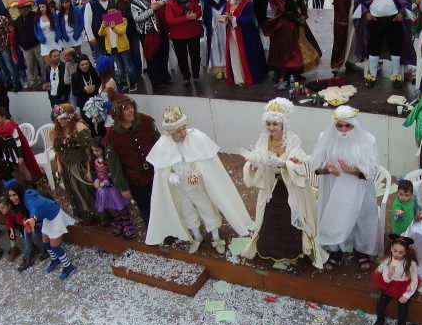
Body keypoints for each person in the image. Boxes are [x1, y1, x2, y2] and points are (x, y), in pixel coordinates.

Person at [146, 107, 252, 253]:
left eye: (183, 129)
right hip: (181, 190)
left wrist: (198, 172)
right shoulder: (163, 145)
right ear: (170, 133)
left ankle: (216, 238)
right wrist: (170, 176)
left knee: (207, 210)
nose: (183, 133)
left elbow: (206, 163)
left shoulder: (196, 138)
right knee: (188, 214)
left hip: (198, 187)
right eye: (178, 131)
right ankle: (197, 237)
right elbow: (162, 170)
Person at [242, 97, 324, 266]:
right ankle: (270, 249)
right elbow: (258, 159)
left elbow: (298, 161)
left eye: (275, 124)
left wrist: (285, 164)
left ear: (283, 124)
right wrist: (253, 163)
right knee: (270, 218)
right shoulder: (263, 140)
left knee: (292, 217)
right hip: (271, 186)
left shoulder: (292, 139)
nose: (271, 128)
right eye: (268, 124)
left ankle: (294, 253)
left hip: (290, 186)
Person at [312, 105, 382, 272]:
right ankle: (335, 251)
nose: (343, 130)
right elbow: (316, 168)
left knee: (362, 218)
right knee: (333, 216)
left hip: (360, 187)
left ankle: (361, 250)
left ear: (355, 125)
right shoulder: (325, 138)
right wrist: (327, 169)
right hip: (333, 188)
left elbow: (372, 171)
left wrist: (351, 171)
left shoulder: (368, 140)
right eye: (339, 125)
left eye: (348, 126)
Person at [352, 0, 415, 87]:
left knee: (396, 47)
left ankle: (396, 76)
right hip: (374, 19)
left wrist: (402, 12)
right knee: (373, 47)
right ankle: (372, 76)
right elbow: (359, 0)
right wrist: (366, 12)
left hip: (394, 19)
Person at [262, 0, 322, 89]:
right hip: (285, 25)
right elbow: (282, 11)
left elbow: (299, 0)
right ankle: (285, 72)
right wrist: (296, 19)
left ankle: (296, 71)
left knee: (299, 48)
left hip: (296, 22)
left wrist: (303, 14)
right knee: (287, 50)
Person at [103, 96, 159, 224]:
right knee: (145, 207)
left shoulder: (145, 120)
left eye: (131, 107)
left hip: (155, 172)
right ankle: (152, 230)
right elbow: (114, 165)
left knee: (162, 201)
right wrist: (123, 187)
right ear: (118, 112)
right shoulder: (112, 134)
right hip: (136, 179)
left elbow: (159, 143)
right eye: (126, 109)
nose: (131, 110)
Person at [51, 104, 97, 222]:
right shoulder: (58, 129)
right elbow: (57, 149)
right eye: (58, 118)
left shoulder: (79, 127)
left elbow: (88, 152)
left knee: (85, 190)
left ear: (70, 116)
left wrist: (88, 170)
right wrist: (59, 164)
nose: (60, 121)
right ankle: (84, 213)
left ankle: (95, 213)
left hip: (80, 165)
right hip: (66, 166)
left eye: (63, 118)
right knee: (73, 190)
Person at [370, 234, 421, 325]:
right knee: (380, 306)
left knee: (403, 309)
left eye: (401, 252)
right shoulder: (387, 261)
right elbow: (386, 280)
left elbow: (414, 280)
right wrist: (389, 273)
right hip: (390, 284)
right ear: (391, 249)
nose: (397, 254)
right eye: (395, 251)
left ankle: (401, 324)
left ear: (406, 252)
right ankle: (380, 319)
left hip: (404, 286)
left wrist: (406, 295)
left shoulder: (411, 264)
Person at [24, 187, 78, 279]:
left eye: (14, 195)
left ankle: (68, 266)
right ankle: (55, 260)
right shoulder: (23, 200)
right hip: (47, 217)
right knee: (45, 242)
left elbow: (34, 211)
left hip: (55, 216)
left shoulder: (29, 199)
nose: (12, 198)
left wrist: (32, 219)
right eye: (10, 196)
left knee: (55, 247)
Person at [221, 0, 268, 85]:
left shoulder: (247, 2)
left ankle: (247, 76)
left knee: (247, 55)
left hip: (246, 34)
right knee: (235, 54)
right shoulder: (230, 0)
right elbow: (227, 12)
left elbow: (250, 19)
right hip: (232, 33)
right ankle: (238, 77)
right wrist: (226, 18)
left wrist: (235, 19)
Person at [90, 137, 136, 238]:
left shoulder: (109, 160)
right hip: (103, 190)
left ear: (103, 149)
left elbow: (114, 172)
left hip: (113, 189)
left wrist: (107, 182)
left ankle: (127, 223)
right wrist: (96, 181)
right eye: (93, 150)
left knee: (120, 205)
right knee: (111, 207)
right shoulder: (95, 161)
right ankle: (119, 222)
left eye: (97, 150)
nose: (95, 153)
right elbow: (95, 173)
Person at [165, 0, 204, 85]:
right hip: (178, 35)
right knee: (182, 57)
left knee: (195, 55)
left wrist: (195, 15)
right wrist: (186, 18)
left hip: (193, 31)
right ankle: (186, 77)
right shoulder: (170, 3)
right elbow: (170, 20)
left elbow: (199, 11)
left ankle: (196, 75)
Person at [196, 0, 229, 79]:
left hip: (224, 19)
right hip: (211, 20)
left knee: (225, 42)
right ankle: (218, 68)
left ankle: (228, 67)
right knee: (214, 44)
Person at [330, 0, 358, 74]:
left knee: (354, 37)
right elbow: (338, 1)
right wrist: (341, 17)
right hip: (346, 13)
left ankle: (351, 60)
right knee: (342, 38)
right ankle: (337, 64)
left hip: (356, 11)